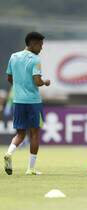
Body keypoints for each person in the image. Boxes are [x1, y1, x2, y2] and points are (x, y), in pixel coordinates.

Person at [4, 31, 50, 175]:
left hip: (18, 101)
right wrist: (45, 81)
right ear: (32, 43)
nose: (41, 48)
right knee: (35, 133)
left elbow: (10, 78)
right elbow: (37, 81)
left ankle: (9, 153)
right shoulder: (35, 59)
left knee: (20, 134)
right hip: (33, 102)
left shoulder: (14, 56)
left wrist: (19, 86)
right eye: (40, 45)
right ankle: (30, 168)